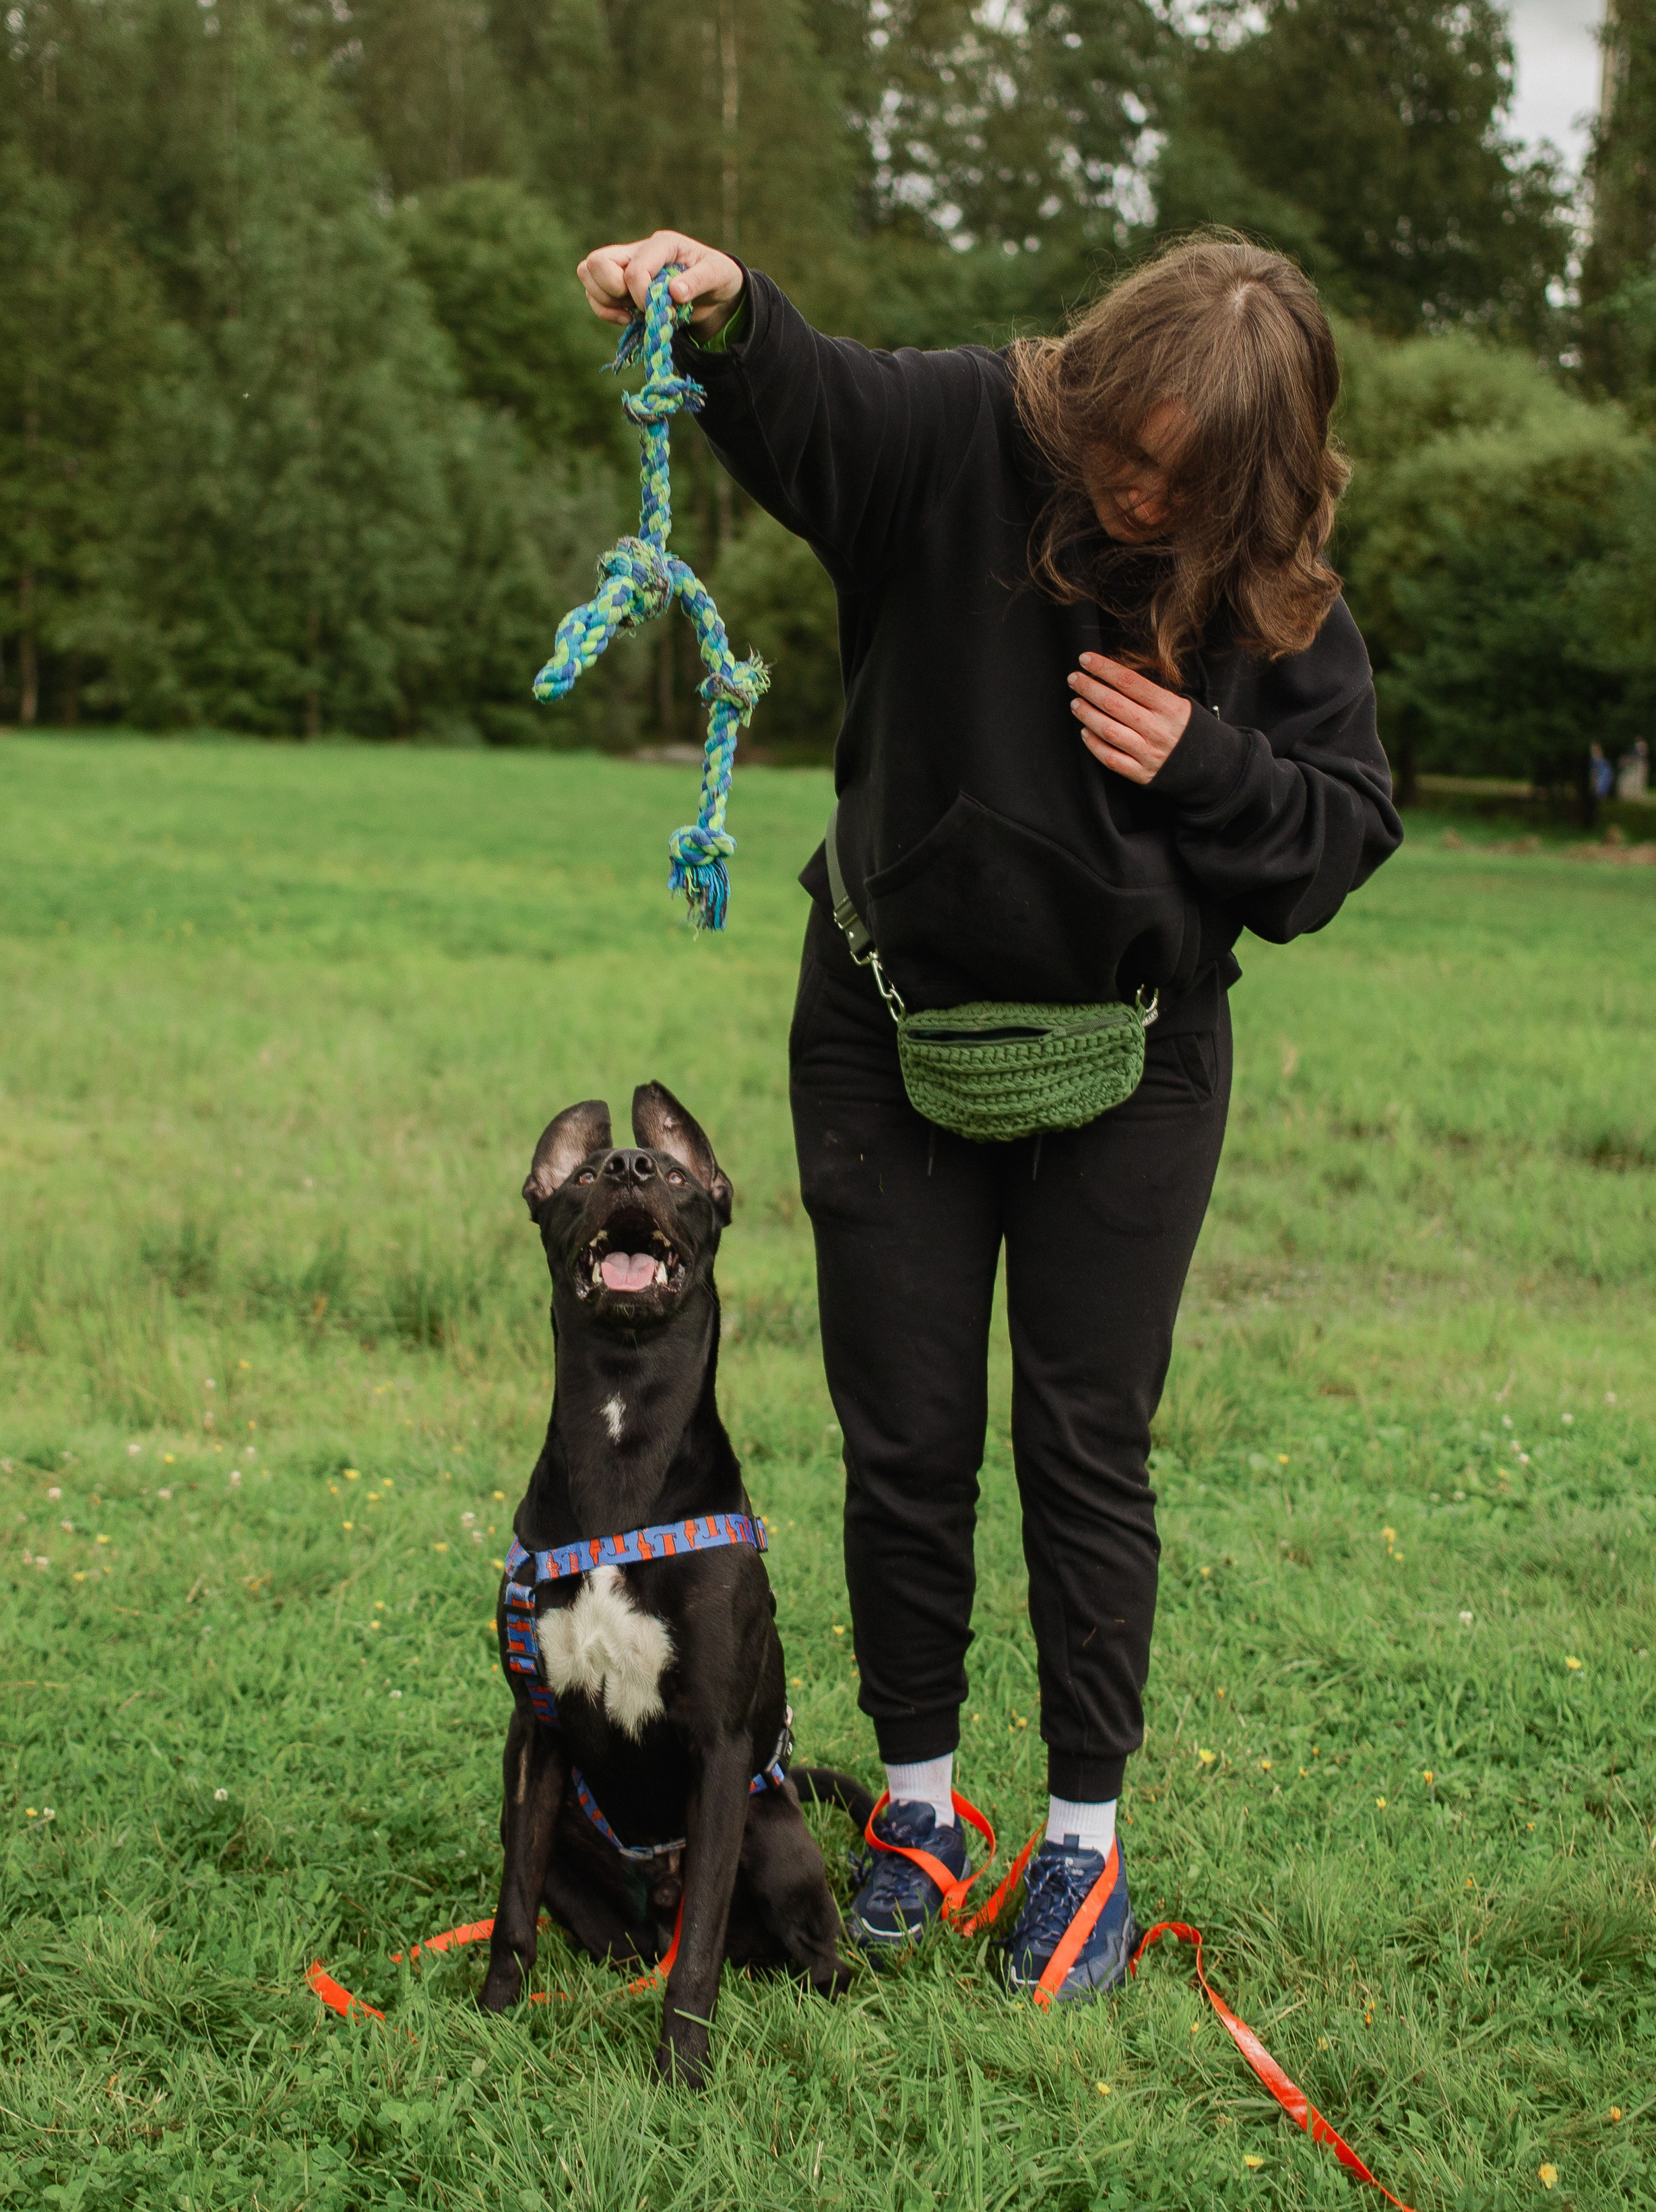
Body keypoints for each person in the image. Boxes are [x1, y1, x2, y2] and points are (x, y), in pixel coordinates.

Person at [578, 228, 1403, 2001]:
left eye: (1179, 484)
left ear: (1251, 492)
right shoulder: (965, 437)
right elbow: (811, 404)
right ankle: (929, 1814)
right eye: (1125, 443)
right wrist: (727, 310)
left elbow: (1343, 832)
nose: (1131, 487)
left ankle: (1084, 1846)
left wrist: (1199, 759)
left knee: (1086, 1439)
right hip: (886, 1031)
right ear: (1093, 378)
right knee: (909, 1433)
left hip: (1136, 1053)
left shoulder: (1270, 588)